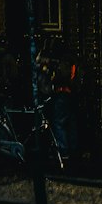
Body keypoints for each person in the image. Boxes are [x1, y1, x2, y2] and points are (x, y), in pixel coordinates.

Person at [38, 36, 83, 167]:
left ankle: (64, 151)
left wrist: (53, 79)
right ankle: (73, 150)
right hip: (72, 94)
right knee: (71, 122)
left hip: (63, 93)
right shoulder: (73, 59)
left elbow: (61, 77)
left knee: (59, 123)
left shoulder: (64, 61)